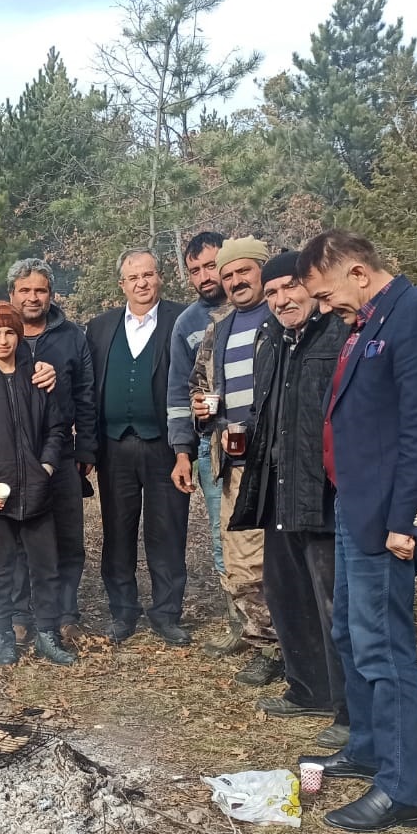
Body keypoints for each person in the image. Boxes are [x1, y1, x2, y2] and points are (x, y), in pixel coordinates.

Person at [296, 230, 417, 833]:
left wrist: (407, 521)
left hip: (390, 514)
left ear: (359, 273)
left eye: (326, 294)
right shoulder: (367, 322)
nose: (324, 307)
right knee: (349, 629)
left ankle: (399, 789)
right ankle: (367, 745)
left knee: (383, 645)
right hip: (356, 505)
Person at [225, 250, 350, 750]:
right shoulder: (275, 339)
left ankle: (347, 709)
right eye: (273, 292)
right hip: (277, 487)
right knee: (286, 592)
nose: (280, 300)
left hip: (320, 490)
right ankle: (307, 688)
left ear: (312, 287)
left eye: (289, 289)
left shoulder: (337, 337)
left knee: (332, 603)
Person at [0, 304, 77, 667]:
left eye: (9, 333)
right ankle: (4, 635)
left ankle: (49, 634)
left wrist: (47, 468)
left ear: (19, 336)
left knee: (46, 567)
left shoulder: (36, 378)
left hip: (37, 494)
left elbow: (57, 428)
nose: (3, 340)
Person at [187, 238, 283, 685]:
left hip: (284, 459)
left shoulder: (285, 318)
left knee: (288, 557)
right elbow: (198, 386)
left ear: (262, 270)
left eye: (243, 271)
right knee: (241, 558)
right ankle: (267, 646)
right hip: (235, 458)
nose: (235, 281)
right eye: (227, 276)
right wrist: (204, 410)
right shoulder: (218, 329)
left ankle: (301, 645)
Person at [86, 248, 191, 645]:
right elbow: (88, 387)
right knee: (118, 531)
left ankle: (166, 613)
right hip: (114, 447)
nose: (142, 283)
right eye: (133, 278)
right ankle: (123, 613)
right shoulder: (99, 327)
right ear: (122, 285)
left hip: (164, 446)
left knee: (167, 532)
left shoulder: (181, 320)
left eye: (148, 275)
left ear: (160, 277)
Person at [8, 257, 95, 647]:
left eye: (39, 290)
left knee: (68, 538)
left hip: (60, 453)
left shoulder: (72, 336)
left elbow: (86, 395)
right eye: (24, 290)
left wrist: (86, 448)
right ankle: (20, 613)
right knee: (19, 539)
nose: (32, 297)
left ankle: (66, 613)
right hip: (10, 456)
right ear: (11, 294)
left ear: (51, 294)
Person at [167, 231, 229, 600]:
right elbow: (177, 393)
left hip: (263, 440)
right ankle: (242, 623)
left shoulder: (261, 307)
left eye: (211, 265)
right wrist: (182, 452)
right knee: (223, 535)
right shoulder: (187, 323)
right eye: (195, 270)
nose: (205, 276)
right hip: (212, 443)